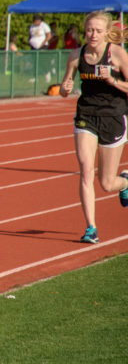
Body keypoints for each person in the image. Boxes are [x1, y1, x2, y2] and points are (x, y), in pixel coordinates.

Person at [59, 12, 128, 245]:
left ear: (106, 32)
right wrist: (65, 88)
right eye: (89, 30)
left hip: (113, 117)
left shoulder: (117, 54)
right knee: (86, 170)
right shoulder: (76, 55)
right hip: (86, 116)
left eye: (98, 31)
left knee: (107, 183)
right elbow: (65, 87)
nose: (93, 35)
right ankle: (91, 228)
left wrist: (113, 81)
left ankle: (125, 182)